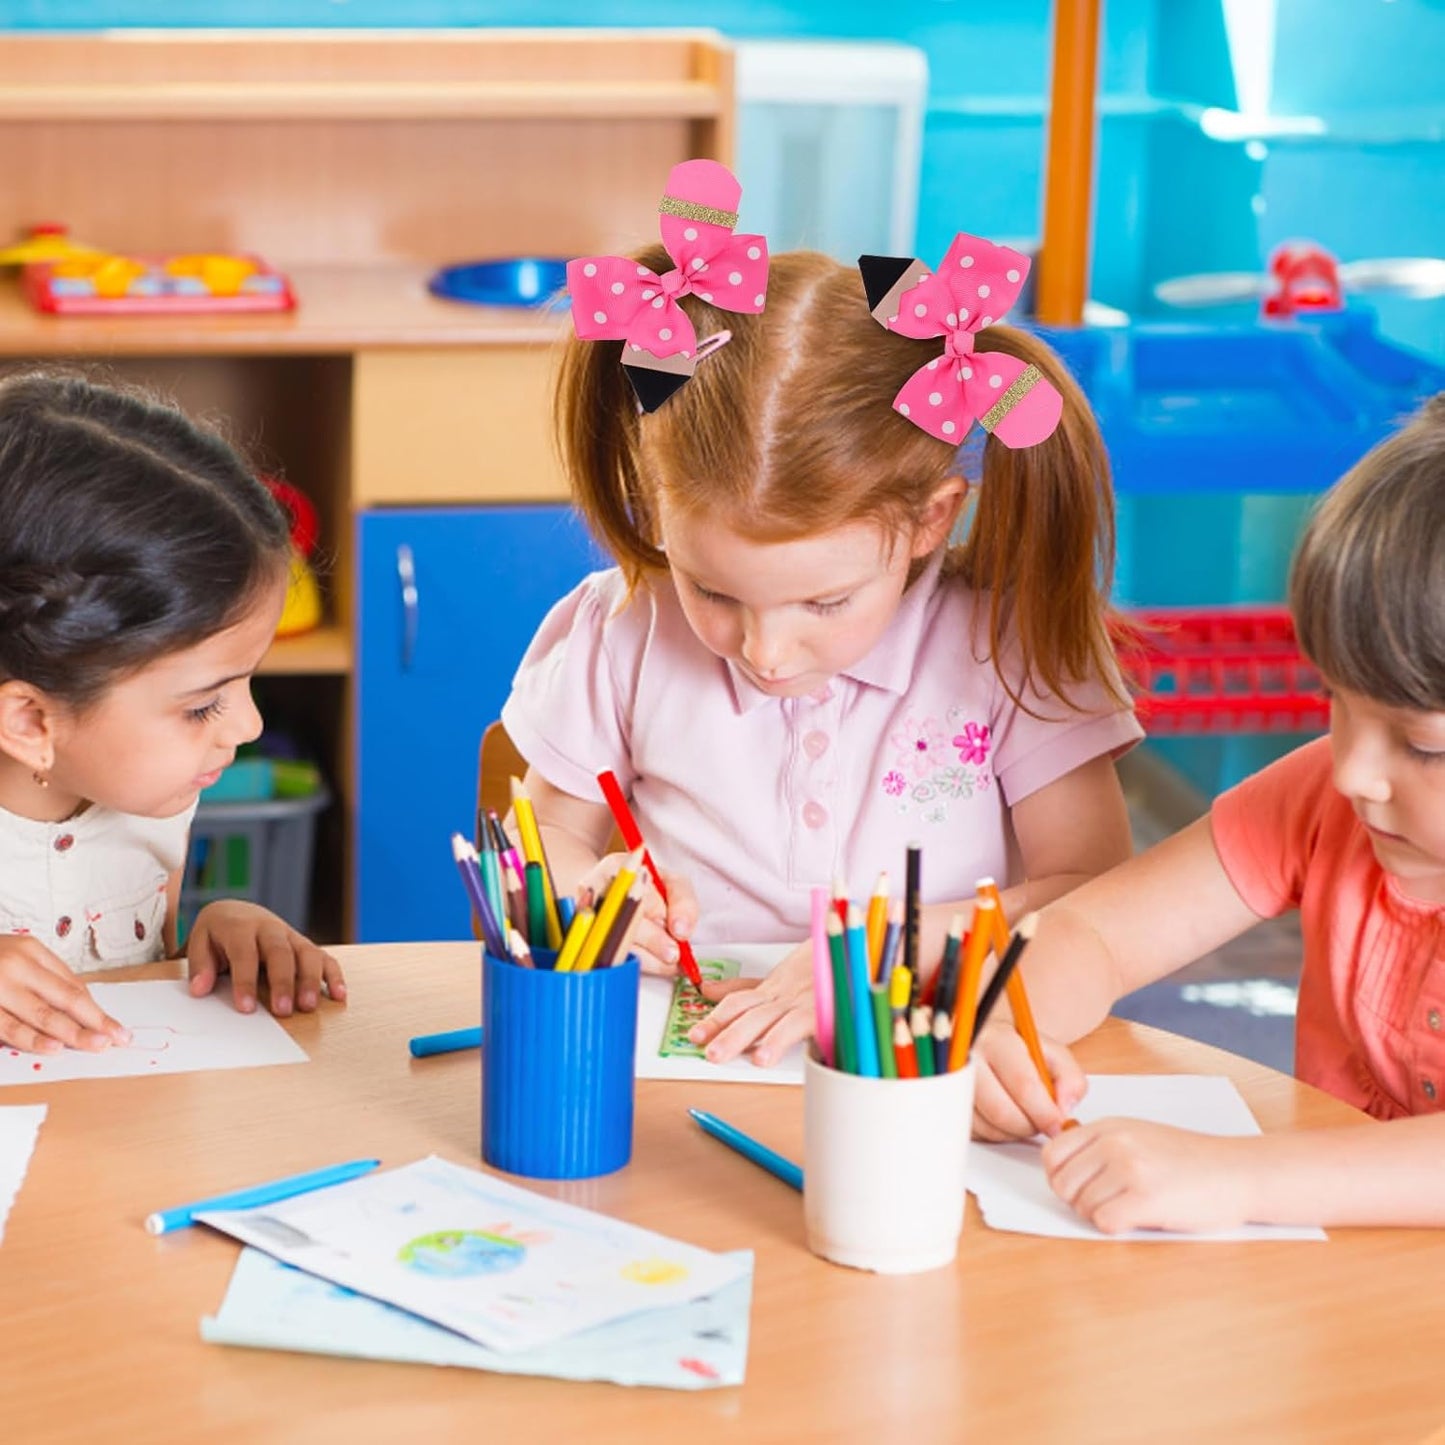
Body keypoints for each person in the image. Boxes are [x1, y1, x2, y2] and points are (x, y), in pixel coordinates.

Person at [501, 159, 1141, 1064]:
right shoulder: (625, 628)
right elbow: (546, 840)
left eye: (825, 601)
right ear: (656, 501)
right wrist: (587, 892)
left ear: (930, 520)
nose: (764, 650)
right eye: (713, 590)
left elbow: (1097, 892)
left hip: (927, 1074)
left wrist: (882, 950)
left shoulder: (1005, 649)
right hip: (687, 1070)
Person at [974, 395, 1445, 1232]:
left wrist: (1239, 1176)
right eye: (1334, 700)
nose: (1351, 772)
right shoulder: (1320, 796)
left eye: (1422, 745)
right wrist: (1007, 1029)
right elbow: (1095, 933)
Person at [0, 372, 345, 1055]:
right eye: (204, 705)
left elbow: (124, 1013)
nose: (248, 727)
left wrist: (209, 941)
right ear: (30, 724)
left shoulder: (149, 801)